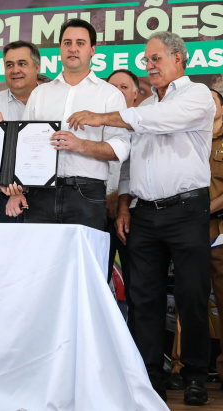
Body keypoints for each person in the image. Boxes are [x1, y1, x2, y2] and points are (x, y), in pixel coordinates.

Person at [66, 31, 216, 406]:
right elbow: (131, 163)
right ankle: (149, 377)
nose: (149, 67)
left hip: (186, 210)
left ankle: (196, 375)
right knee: (143, 298)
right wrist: (123, 206)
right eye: (146, 61)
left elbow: (158, 121)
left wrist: (101, 117)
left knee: (192, 296)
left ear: (179, 58)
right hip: (143, 214)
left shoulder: (195, 95)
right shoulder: (144, 106)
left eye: (156, 59)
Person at [167, 88, 223, 395]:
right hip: (186, 228)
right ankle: (181, 366)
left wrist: (207, 208)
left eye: (212, 101)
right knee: (188, 299)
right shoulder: (185, 137)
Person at [5, 19, 130, 233]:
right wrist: (17, 191)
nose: (73, 48)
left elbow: (121, 149)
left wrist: (80, 145)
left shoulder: (109, 94)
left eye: (80, 43)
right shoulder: (40, 94)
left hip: (86, 194)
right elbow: (23, 147)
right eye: (67, 42)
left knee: (83, 264)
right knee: (41, 264)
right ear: (60, 48)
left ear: (92, 50)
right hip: (39, 193)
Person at [0, 41, 40, 223]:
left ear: (37, 67)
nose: (15, 70)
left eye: (22, 64)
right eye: (9, 65)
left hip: (46, 201)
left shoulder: (53, 102)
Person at [105, 69, 141, 331]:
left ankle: (140, 359)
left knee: (139, 289)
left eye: (124, 87)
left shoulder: (147, 126)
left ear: (136, 94)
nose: (118, 92)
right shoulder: (94, 125)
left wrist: (121, 203)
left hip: (136, 218)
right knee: (94, 285)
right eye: (112, 87)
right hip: (97, 215)